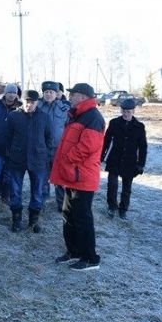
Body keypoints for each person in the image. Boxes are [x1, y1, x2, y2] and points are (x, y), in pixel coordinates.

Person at [51, 83, 105, 271]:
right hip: (72, 175)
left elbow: (87, 146)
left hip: (82, 176)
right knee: (68, 215)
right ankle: (73, 251)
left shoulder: (93, 117)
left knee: (82, 218)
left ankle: (90, 258)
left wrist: (67, 159)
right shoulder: (79, 114)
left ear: (82, 97)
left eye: (72, 94)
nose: (70, 97)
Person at [5, 90, 52, 232]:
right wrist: (12, 152)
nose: (29, 104)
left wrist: (44, 153)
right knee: (15, 190)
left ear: (37, 102)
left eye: (32, 102)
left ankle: (33, 221)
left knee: (37, 191)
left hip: (38, 160)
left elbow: (48, 138)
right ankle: (16, 220)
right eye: (27, 101)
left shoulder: (44, 117)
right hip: (17, 159)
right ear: (22, 101)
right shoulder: (13, 116)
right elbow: (7, 137)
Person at [101, 97, 147, 220]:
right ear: (121, 111)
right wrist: (101, 156)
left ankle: (123, 209)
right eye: (124, 111)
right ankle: (111, 207)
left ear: (133, 111)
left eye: (129, 111)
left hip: (130, 161)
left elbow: (143, 147)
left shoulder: (139, 127)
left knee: (127, 188)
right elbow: (106, 140)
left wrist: (141, 164)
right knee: (112, 185)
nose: (126, 114)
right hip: (114, 159)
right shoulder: (114, 123)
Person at [37, 81, 70, 210]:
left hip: (58, 149)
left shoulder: (65, 109)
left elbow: (69, 128)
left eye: (51, 92)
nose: (49, 94)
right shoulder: (37, 107)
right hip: (42, 148)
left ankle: (61, 204)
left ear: (57, 94)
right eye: (46, 92)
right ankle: (42, 200)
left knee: (60, 178)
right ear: (43, 93)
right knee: (42, 176)